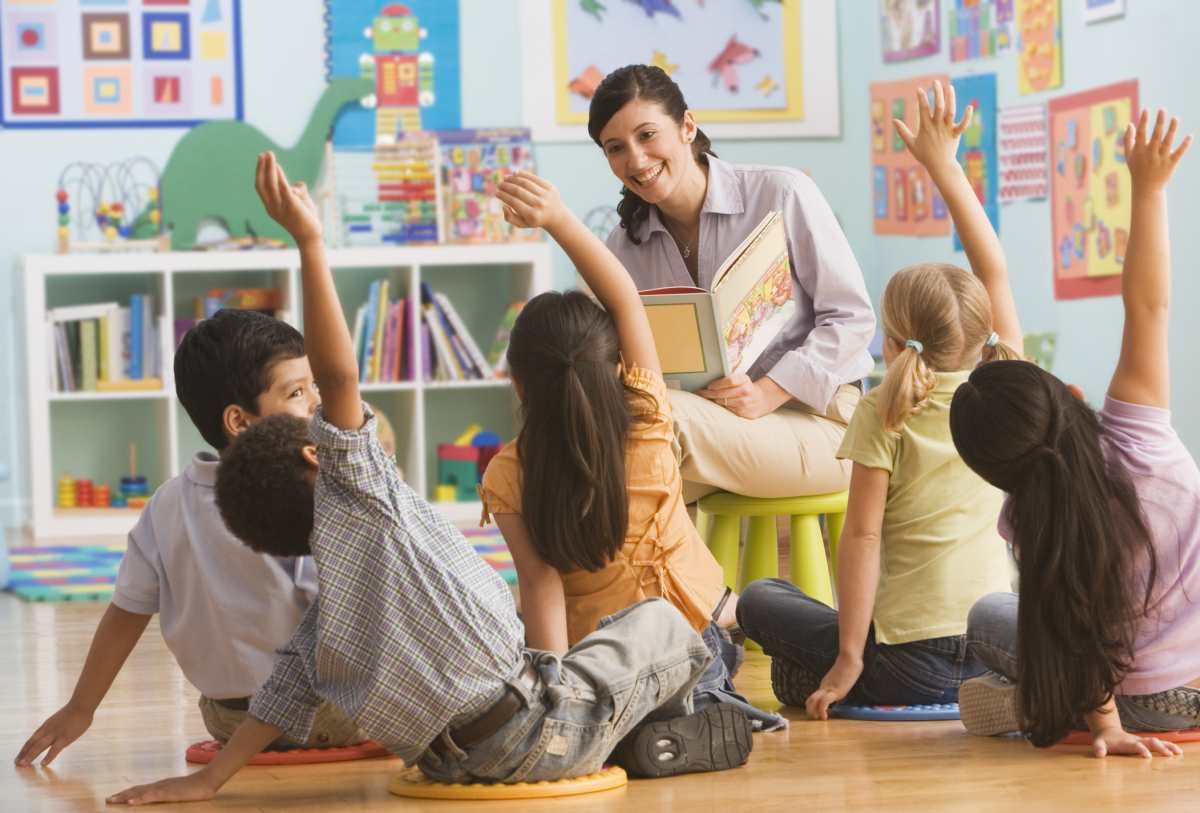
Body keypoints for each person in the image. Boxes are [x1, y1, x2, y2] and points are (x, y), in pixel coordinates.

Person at [106, 152, 751, 805]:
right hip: (538, 729)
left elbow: (274, 701)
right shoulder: (368, 500)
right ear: (316, 458)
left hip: (454, 762)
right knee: (658, 623)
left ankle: (636, 721)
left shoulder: (325, 621)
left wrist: (210, 778)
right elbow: (339, 377)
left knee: (593, 656)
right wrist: (308, 240)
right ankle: (687, 719)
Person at [737, 81, 1018, 718]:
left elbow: (860, 538)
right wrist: (946, 168)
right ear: (983, 331)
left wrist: (849, 658)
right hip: (996, 650)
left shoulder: (882, 407)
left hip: (906, 667)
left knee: (761, 598)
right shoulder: (1009, 388)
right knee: (815, 619)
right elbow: (993, 267)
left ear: (891, 342)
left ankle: (825, 672)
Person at [481, 170, 783, 731]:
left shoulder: (506, 473)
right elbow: (625, 299)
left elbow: (540, 591)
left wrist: (558, 704)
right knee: (737, 625)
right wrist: (559, 219)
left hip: (602, 680)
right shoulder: (647, 415)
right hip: (693, 655)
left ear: (517, 383)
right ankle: (745, 631)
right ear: (616, 367)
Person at [15, 309, 364, 768]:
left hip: (226, 721)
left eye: (315, 385)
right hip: (322, 715)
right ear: (239, 421)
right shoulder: (309, 491)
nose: (317, 402)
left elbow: (126, 612)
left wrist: (81, 708)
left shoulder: (165, 503)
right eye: (297, 392)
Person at [952, 109, 1195, 759]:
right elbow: (1148, 304)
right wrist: (1149, 188)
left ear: (995, 470)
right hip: (1191, 683)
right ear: (1065, 396)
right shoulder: (1141, 433)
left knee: (987, 620)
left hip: (1137, 697)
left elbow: (1073, 627)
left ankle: (1037, 702)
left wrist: (1108, 724)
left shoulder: (1033, 522)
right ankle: (1046, 702)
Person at [590, 64, 876, 503]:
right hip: (704, 429)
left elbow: (853, 319)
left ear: (687, 125)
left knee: (653, 432)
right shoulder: (625, 246)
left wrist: (768, 391)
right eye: (616, 148)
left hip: (827, 425)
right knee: (597, 477)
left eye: (647, 136)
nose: (635, 160)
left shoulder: (782, 194)